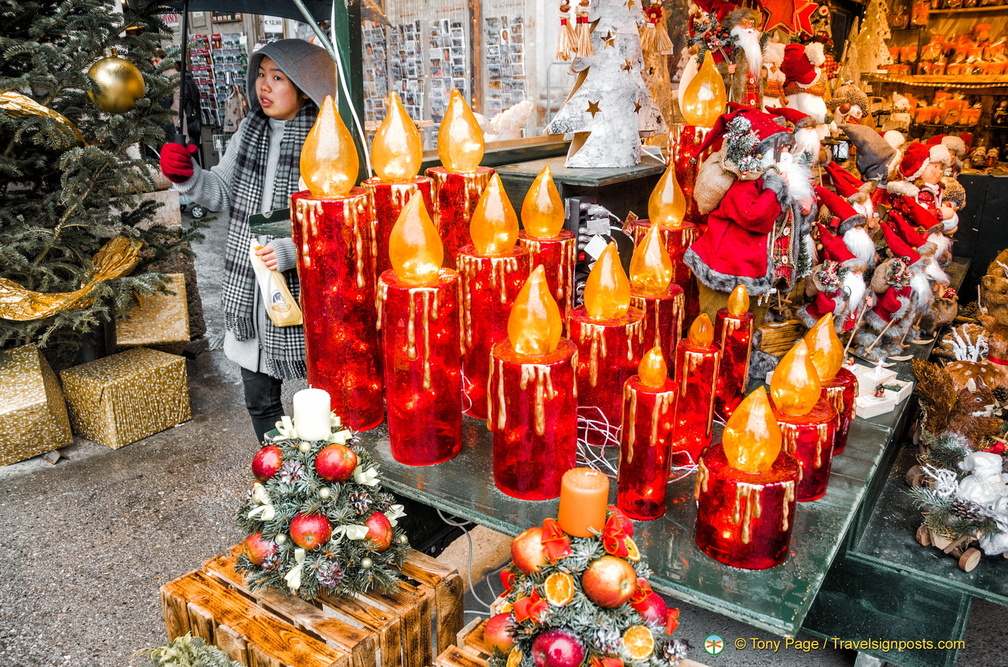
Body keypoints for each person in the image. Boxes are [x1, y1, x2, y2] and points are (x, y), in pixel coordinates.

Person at [159, 39, 337, 443]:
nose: (264, 86)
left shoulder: (327, 139)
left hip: (309, 296)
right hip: (252, 290)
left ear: (306, 86)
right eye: (261, 74)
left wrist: (292, 251)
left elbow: (337, 224)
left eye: (278, 77)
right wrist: (188, 175)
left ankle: (329, 482)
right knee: (260, 402)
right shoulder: (249, 130)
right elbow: (220, 191)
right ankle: (280, 484)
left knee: (324, 400)